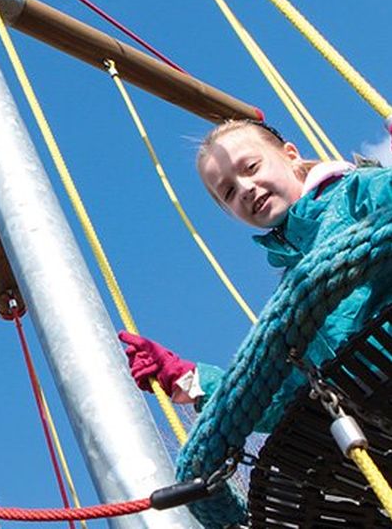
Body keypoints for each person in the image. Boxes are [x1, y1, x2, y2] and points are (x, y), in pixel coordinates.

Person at [119, 119, 392, 431]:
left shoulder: (357, 192)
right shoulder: (292, 300)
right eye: (229, 192)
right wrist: (192, 381)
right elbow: (281, 399)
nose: (245, 189)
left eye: (251, 167)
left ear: (291, 155)